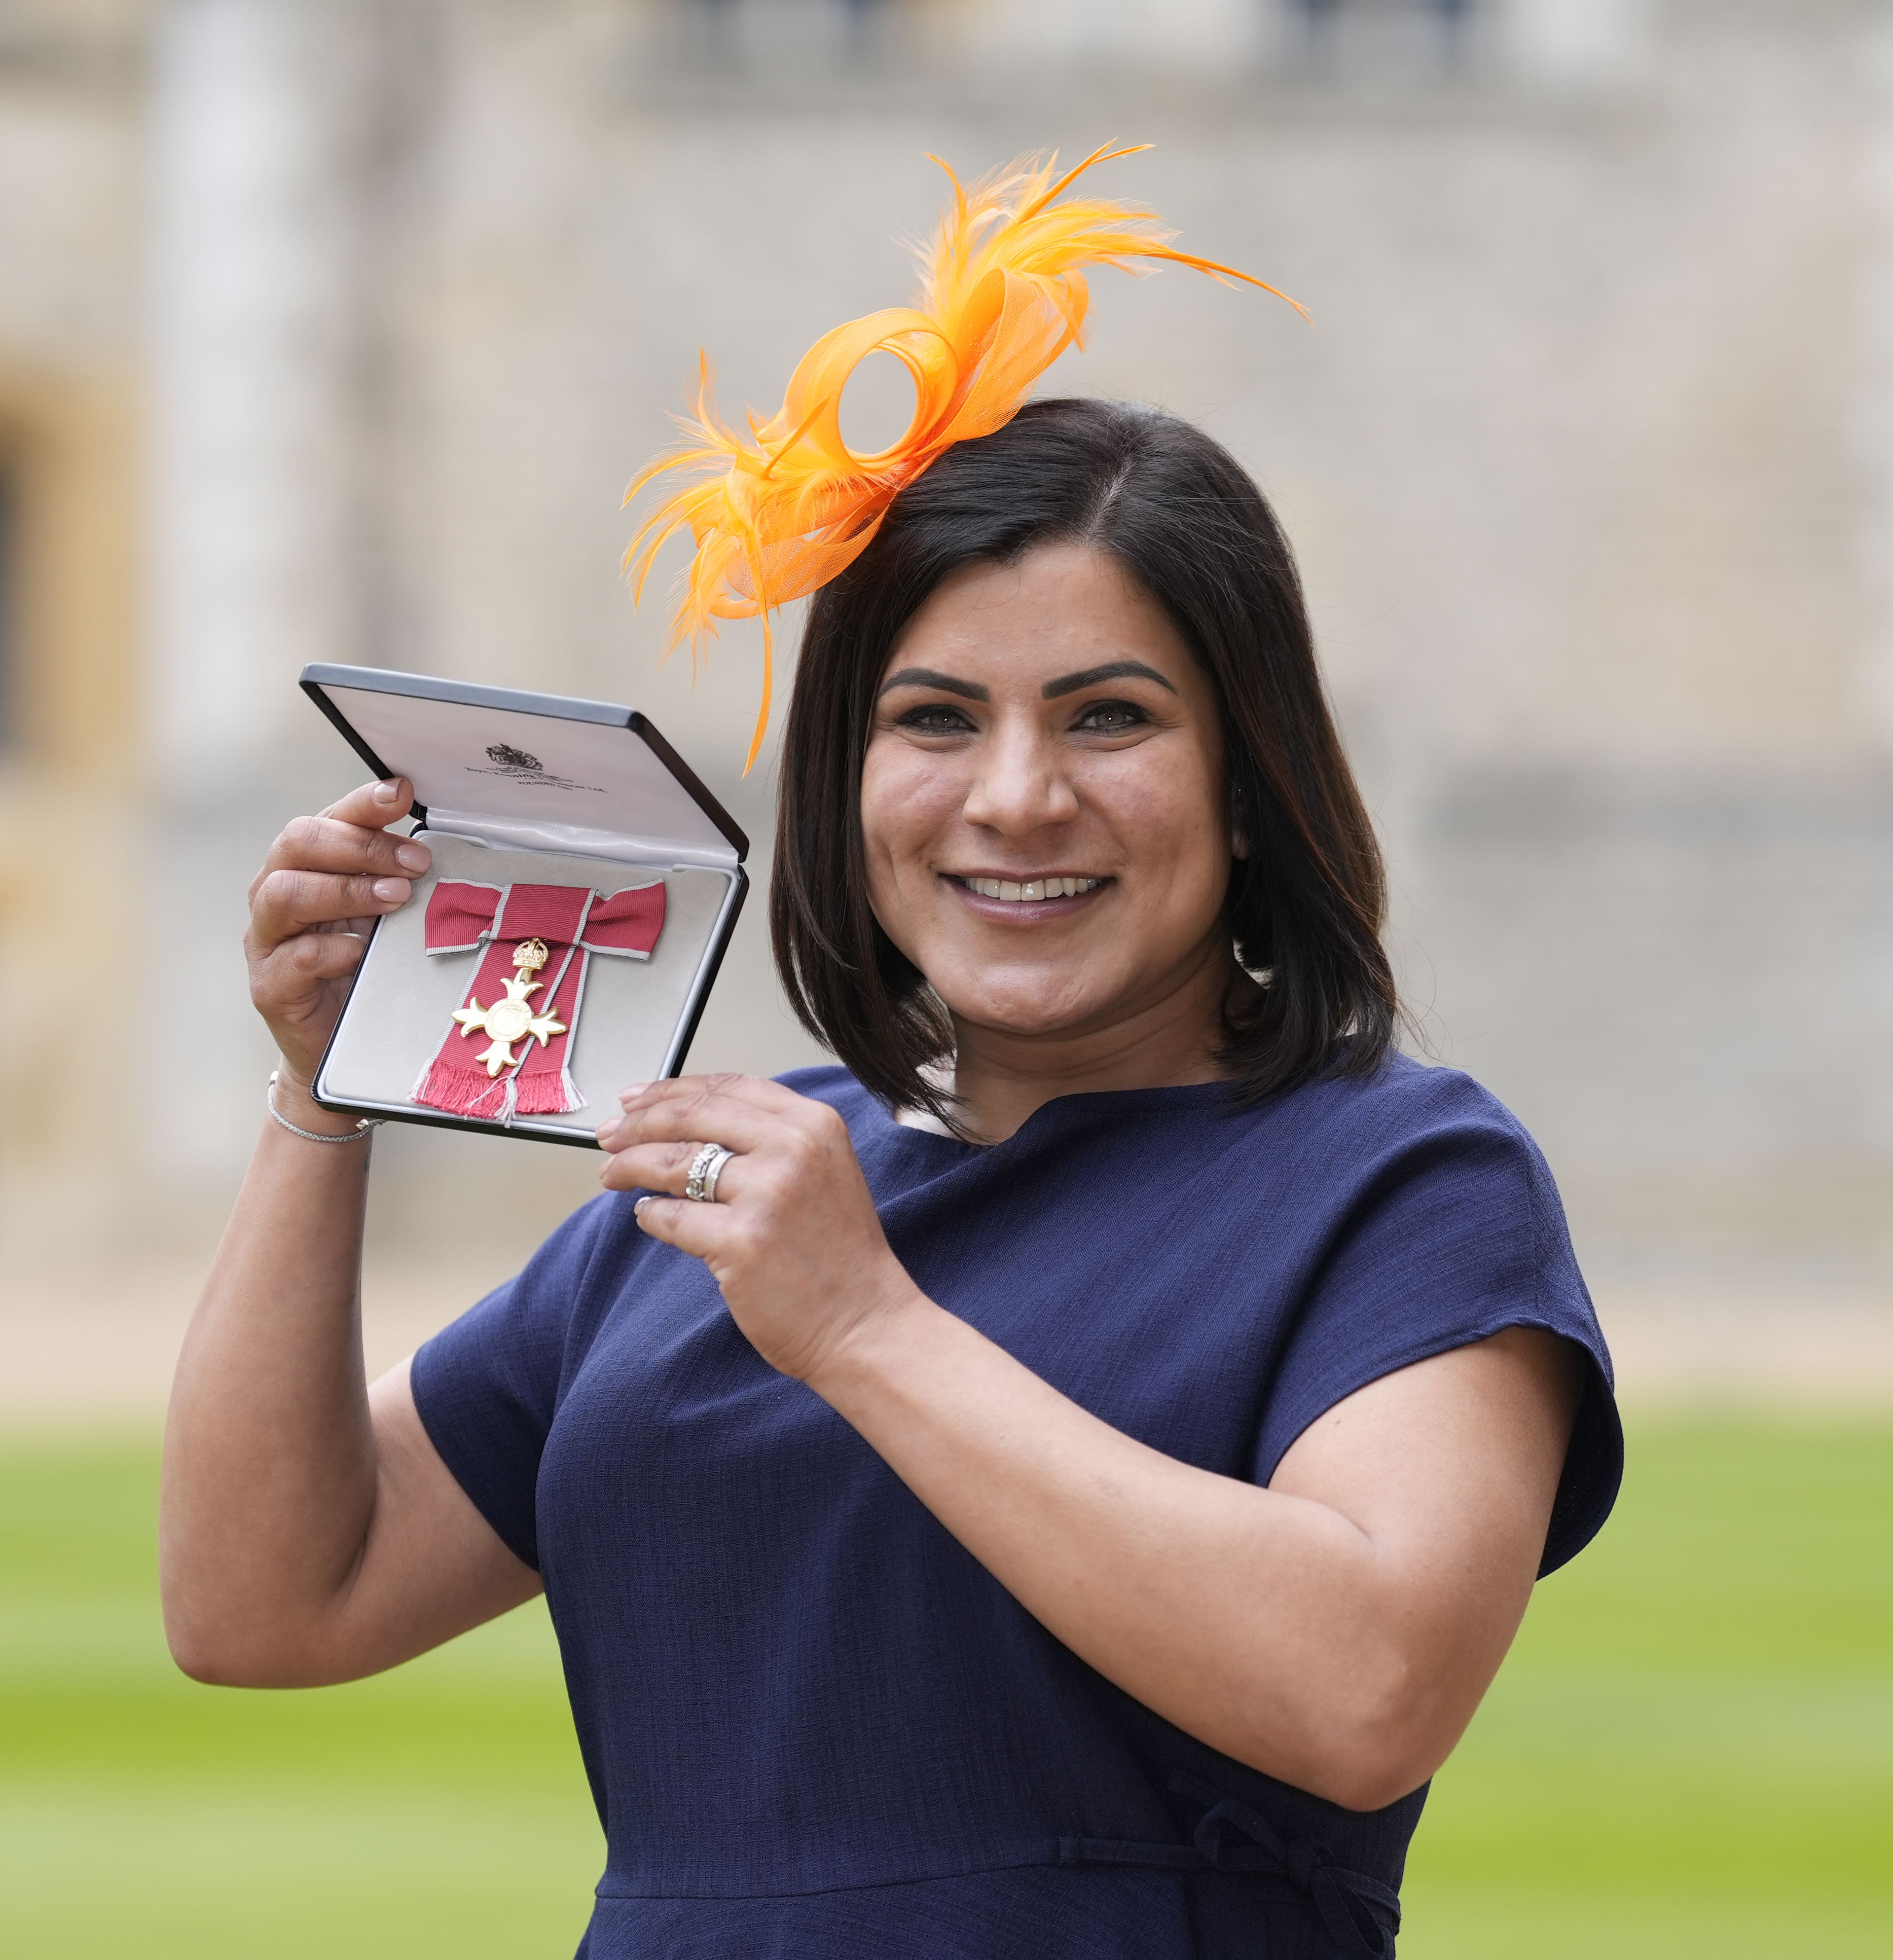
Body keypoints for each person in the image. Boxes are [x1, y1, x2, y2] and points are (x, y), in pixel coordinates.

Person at [163, 157, 1620, 1960]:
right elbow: (263, 1598)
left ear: (1249, 783)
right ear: (846, 786)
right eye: (936, 719)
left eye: (1110, 717)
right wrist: (325, 1093)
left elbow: (1369, 1682)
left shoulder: (1401, 1181)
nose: (1016, 796)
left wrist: (864, 1327)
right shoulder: (724, 1188)